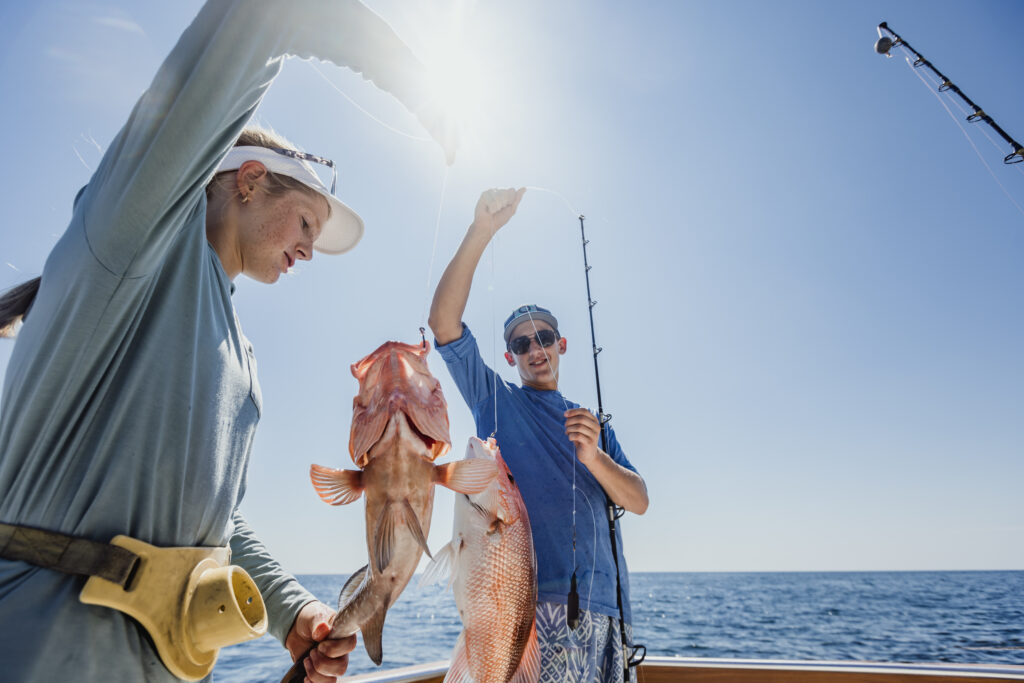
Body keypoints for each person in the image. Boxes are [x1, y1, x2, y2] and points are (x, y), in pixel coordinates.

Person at [0, 1, 456, 681]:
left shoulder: (238, 356)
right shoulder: (137, 233)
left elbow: (219, 525)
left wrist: (291, 610)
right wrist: (416, 82)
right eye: (306, 221)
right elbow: (264, 12)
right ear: (247, 182)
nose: (310, 248)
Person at [428, 188, 649, 683]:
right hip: (533, 606)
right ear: (510, 356)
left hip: (611, 616)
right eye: (521, 343)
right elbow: (443, 323)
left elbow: (638, 500)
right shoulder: (496, 402)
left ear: (562, 344)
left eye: (544, 337)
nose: (535, 349)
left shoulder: (594, 424)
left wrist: (595, 457)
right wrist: (481, 230)